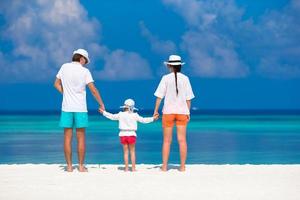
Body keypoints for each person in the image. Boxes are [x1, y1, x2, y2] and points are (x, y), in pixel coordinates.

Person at [54, 48, 105, 172]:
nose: (85, 63)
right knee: (81, 138)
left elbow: (56, 84)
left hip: (66, 108)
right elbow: (93, 89)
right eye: (85, 61)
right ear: (82, 58)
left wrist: (65, 94)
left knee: (67, 137)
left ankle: (70, 167)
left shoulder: (64, 67)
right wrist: (101, 104)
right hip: (80, 109)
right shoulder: (85, 71)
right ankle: (81, 166)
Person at [153, 55, 195, 172]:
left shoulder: (165, 78)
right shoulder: (185, 78)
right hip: (182, 112)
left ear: (169, 65)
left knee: (167, 141)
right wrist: (188, 112)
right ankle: (182, 167)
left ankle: (165, 167)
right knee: (182, 140)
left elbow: (159, 97)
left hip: (168, 113)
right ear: (180, 66)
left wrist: (155, 111)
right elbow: (188, 99)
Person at [99, 99, 158, 172]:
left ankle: (126, 168)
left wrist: (103, 112)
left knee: (125, 152)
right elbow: (143, 120)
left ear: (124, 106)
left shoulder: (121, 114)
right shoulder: (135, 115)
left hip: (123, 134)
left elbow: (112, 116)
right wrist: (153, 119)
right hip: (132, 134)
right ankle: (133, 168)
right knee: (132, 152)